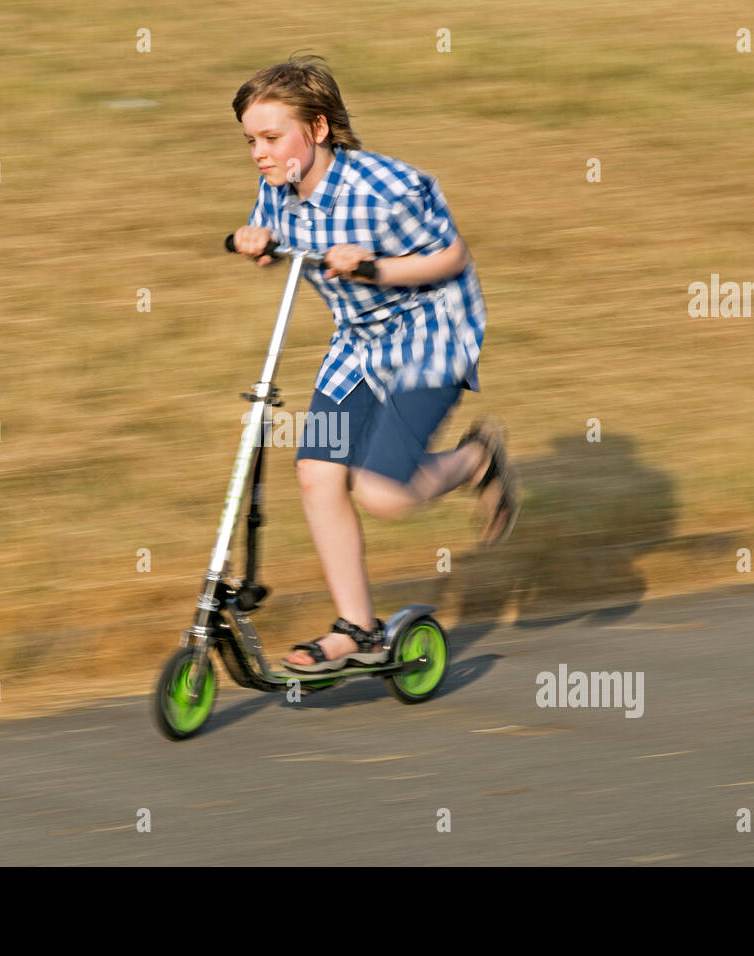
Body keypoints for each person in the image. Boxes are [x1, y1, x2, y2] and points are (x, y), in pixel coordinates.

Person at [230, 54, 520, 674]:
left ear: (318, 129)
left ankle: (478, 459)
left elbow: (452, 255)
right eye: (251, 139)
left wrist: (374, 267)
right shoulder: (278, 184)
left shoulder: (389, 188)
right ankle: (357, 628)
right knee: (317, 474)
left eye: (271, 137)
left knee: (382, 493)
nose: (259, 152)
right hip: (359, 342)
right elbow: (269, 231)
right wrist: (254, 240)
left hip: (430, 336)